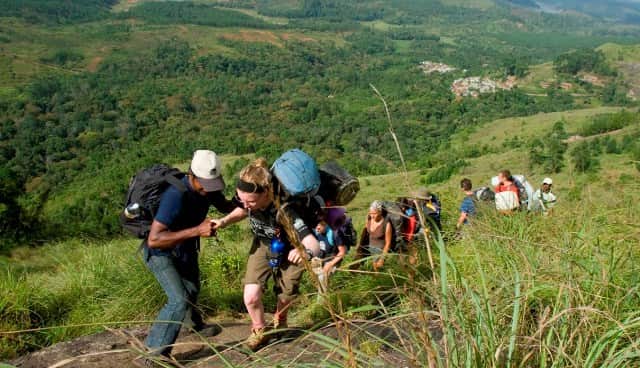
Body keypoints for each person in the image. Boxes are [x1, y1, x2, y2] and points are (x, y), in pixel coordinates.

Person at [211, 158, 321, 351]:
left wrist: (305, 251)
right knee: (251, 297)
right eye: (241, 199)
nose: (246, 205)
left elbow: (313, 243)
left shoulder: (285, 210)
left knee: (286, 295)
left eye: (251, 201)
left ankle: (280, 319)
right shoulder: (248, 199)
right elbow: (241, 210)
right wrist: (224, 221)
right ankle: (259, 329)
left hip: (292, 249)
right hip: (262, 245)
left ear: (266, 194)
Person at [140, 150, 236, 364]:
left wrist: (247, 197)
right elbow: (154, 240)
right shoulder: (175, 196)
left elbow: (226, 205)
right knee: (179, 299)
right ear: (192, 176)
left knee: (192, 289)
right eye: (204, 185)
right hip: (160, 252)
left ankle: (195, 326)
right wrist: (197, 231)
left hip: (184, 248)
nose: (207, 190)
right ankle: (154, 354)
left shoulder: (207, 189)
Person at [356, 200, 393, 271]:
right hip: (369, 247)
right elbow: (365, 231)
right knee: (357, 264)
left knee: (377, 269)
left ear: (380, 212)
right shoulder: (369, 218)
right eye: (370, 213)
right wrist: (360, 245)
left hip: (379, 250)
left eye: (374, 213)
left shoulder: (386, 224)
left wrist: (382, 258)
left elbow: (388, 243)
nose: (372, 216)